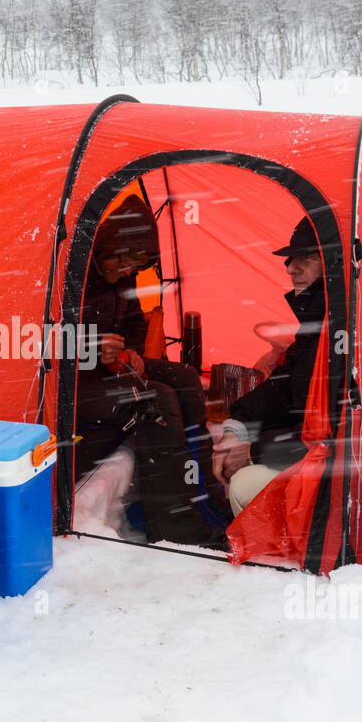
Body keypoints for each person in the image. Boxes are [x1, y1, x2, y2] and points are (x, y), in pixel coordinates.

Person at [76, 195, 232, 548]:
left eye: (135, 266)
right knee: (156, 400)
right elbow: (40, 337)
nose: (128, 271)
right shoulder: (73, 276)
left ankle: (203, 491)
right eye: (124, 261)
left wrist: (131, 353)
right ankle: (174, 523)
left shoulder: (120, 282)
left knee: (186, 379)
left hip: (107, 374)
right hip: (71, 382)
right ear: (108, 248)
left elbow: (133, 324)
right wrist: (89, 348)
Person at [213, 218, 326, 515]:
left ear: (333, 267)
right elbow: (281, 388)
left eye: (308, 258)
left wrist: (254, 451)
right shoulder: (315, 325)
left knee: (244, 484)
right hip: (303, 452)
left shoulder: (343, 333)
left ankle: (282, 557)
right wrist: (236, 429)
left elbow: (331, 439)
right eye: (291, 259)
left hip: (331, 475)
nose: (291, 268)